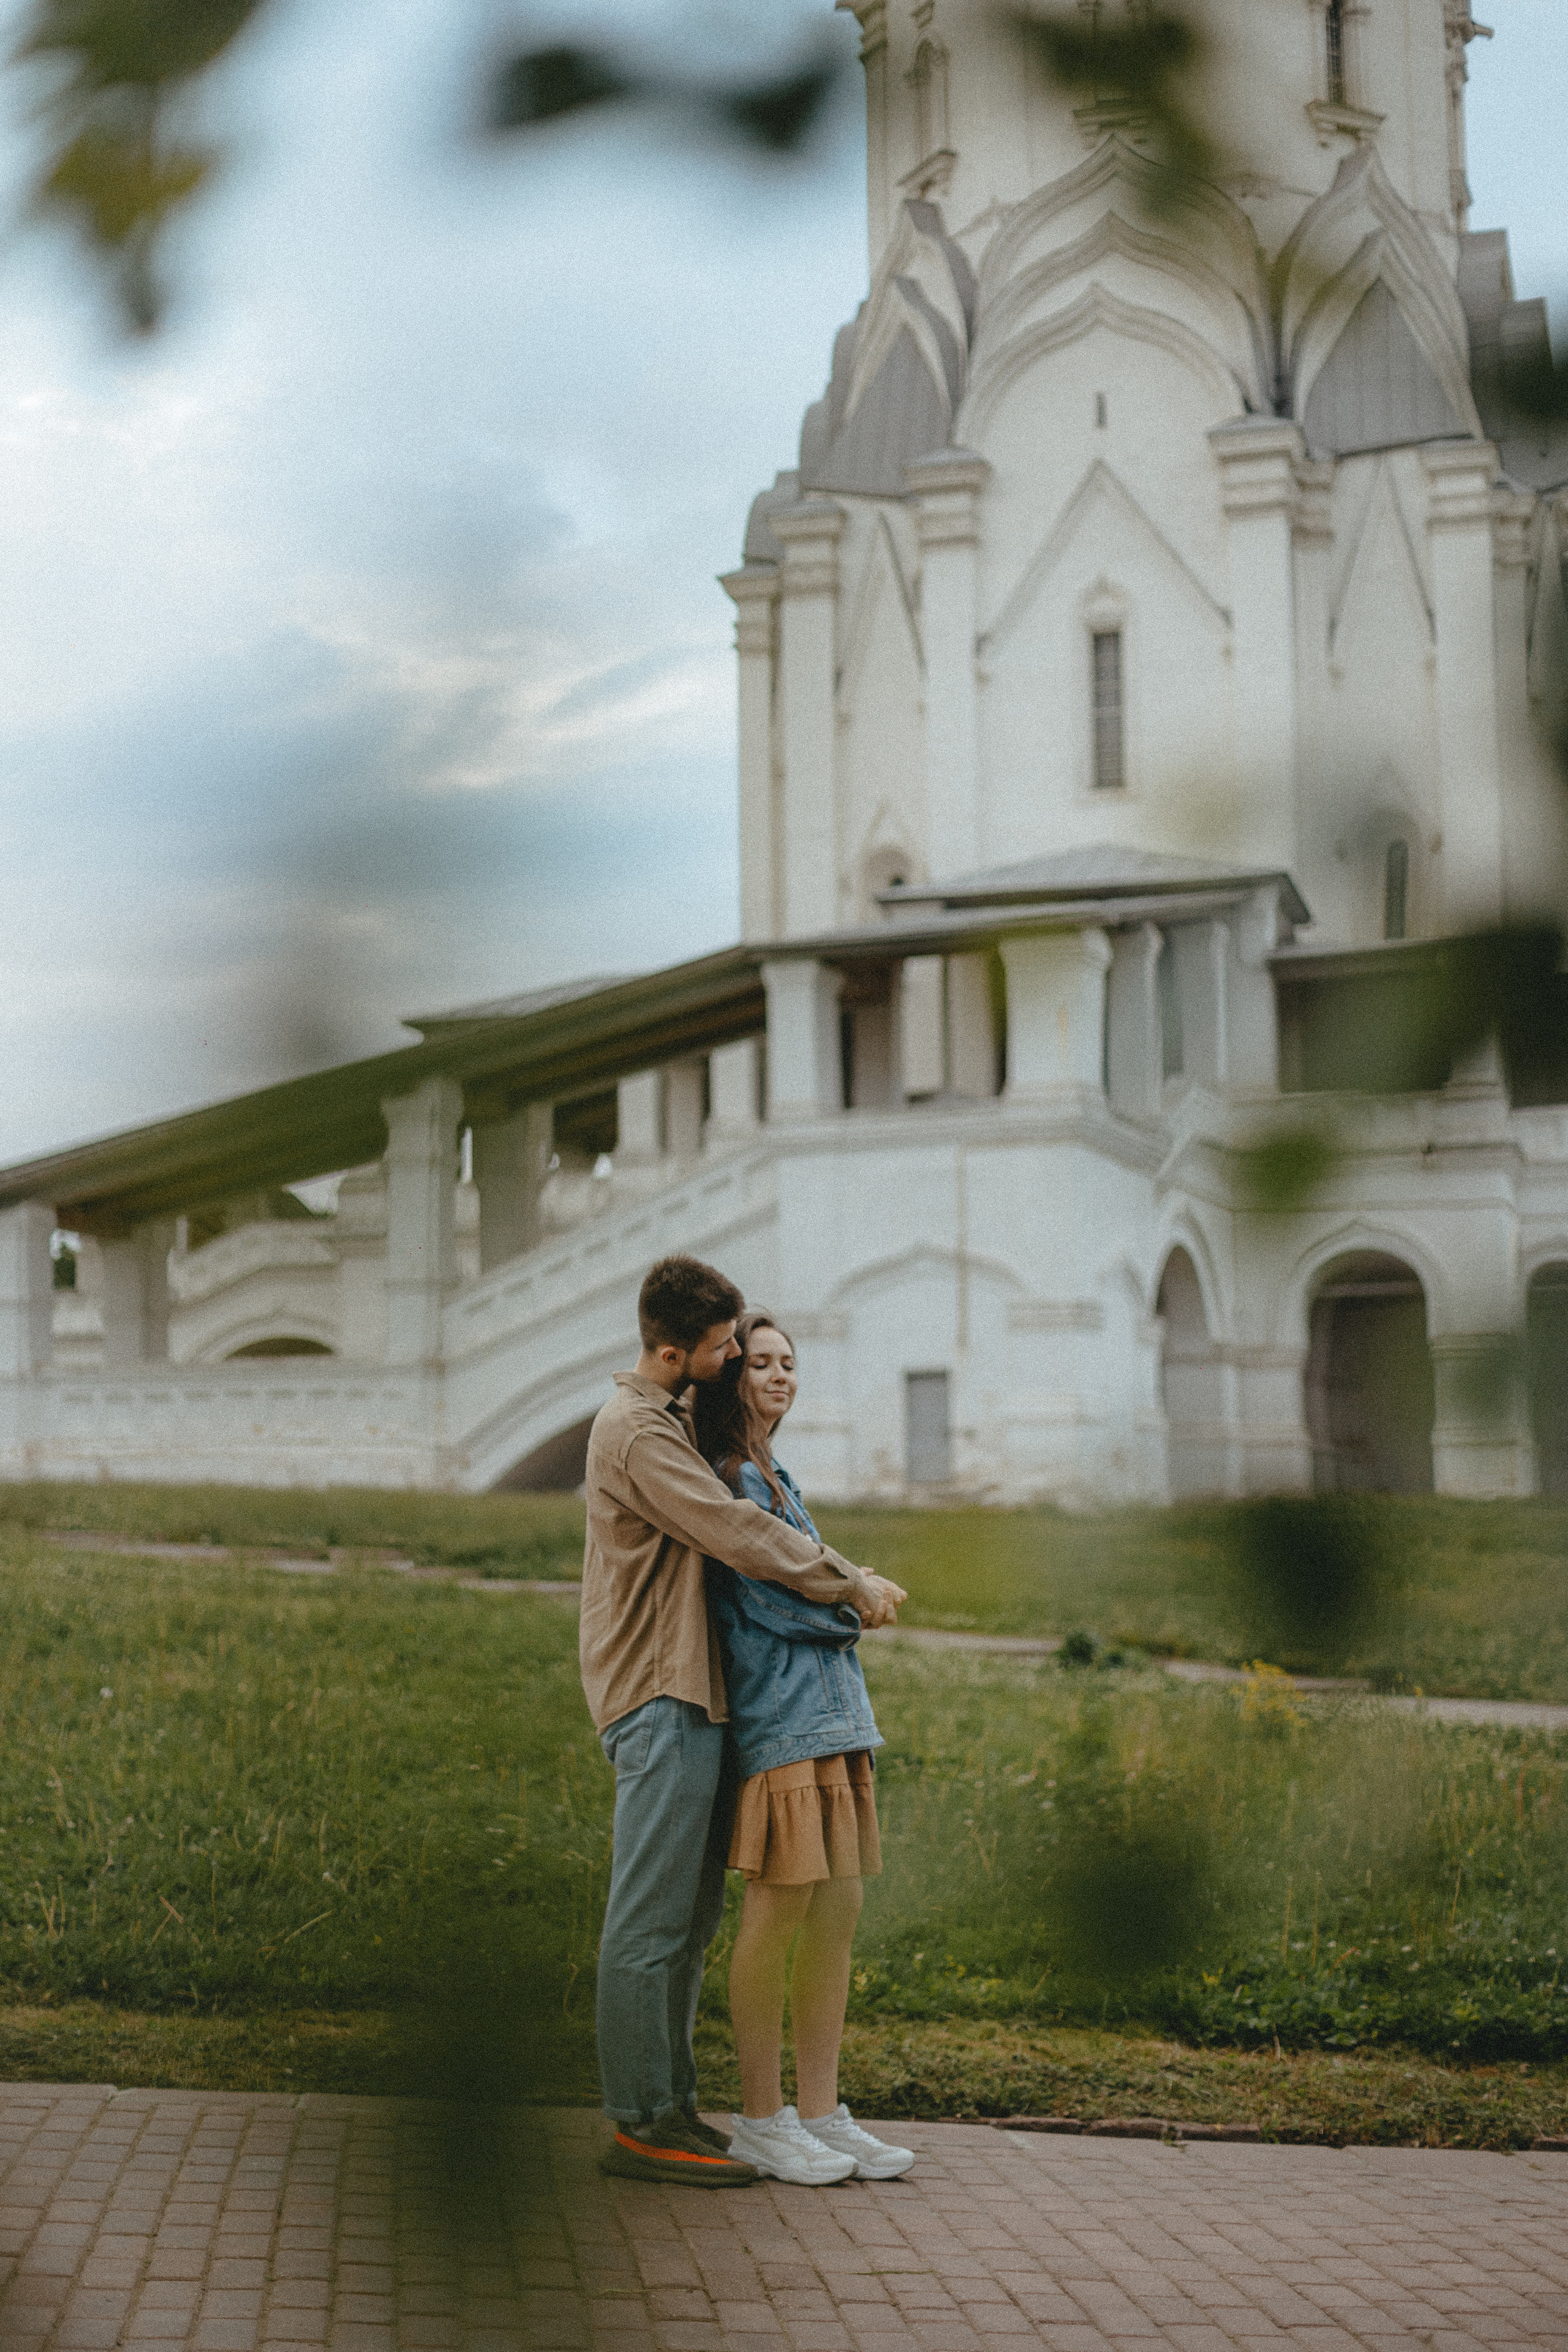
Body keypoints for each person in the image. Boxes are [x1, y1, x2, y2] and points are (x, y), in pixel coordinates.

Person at [581, 1254, 907, 2188]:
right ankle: (642, 2120)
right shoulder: (638, 1434)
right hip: (655, 1688)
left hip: (692, 1689)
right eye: (726, 1347)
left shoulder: (664, 1421)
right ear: (676, 1349)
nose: (735, 1361)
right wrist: (852, 1586)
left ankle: (671, 2108)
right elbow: (741, 1533)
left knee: (684, 1919)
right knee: (649, 1921)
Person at [693, 1311, 916, 2185]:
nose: (782, 1376)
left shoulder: (778, 1475)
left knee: (838, 1917)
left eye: (791, 1363)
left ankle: (822, 2113)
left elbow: (800, 1573)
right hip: (784, 1721)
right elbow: (764, 1599)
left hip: (838, 1719)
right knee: (778, 1917)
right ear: (732, 1377)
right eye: (763, 1363)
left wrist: (847, 1591)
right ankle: (760, 2117)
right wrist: (854, 1598)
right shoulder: (734, 1480)